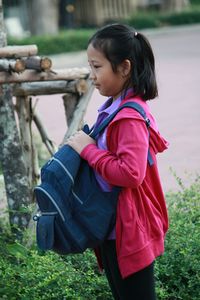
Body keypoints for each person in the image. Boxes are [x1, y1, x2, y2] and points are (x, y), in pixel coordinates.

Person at [67, 23, 169, 300]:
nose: (93, 75)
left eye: (97, 67)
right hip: (114, 229)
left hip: (128, 231)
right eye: (90, 66)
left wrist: (88, 150)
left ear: (124, 68)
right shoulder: (113, 108)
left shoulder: (128, 118)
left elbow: (130, 173)